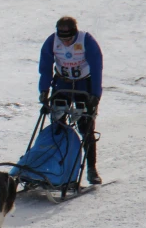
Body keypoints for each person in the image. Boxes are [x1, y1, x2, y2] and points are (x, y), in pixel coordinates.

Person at [38, 16, 103, 184]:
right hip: (62, 84)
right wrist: (44, 91)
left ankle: (91, 169)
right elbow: (45, 68)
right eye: (63, 39)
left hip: (84, 85)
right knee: (57, 127)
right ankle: (56, 169)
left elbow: (97, 68)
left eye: (69, 39)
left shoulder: (87, 41)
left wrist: (95, 95)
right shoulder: (52, 42)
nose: (66, 43)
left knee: (85, 127)